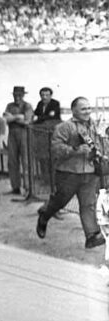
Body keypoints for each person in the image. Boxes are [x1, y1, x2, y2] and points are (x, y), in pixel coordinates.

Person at [36, 97, 106, 249]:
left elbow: (99, 143)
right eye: (83, 109)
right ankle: (44, 215)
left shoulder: (94, 125)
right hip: (69, 173)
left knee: (88, 204)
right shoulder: (64, 127)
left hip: (90, 171)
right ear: (74, 110)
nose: (87, 112)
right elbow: (55, 148)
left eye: (89, 108)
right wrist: (75, 150)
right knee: (60, 202)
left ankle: (92, 236)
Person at [3, 85, 34, 196]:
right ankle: (15, 187)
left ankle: (27, 188)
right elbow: (5, 119)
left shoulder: (27, 106)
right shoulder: (9, 105)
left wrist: (13, 117)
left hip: (24, 134)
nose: (17, 97)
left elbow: (27, 121)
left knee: (26, 162)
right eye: (15, 95)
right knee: (12, 161)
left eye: (19, 95)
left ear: (23, 95)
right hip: (12, 134)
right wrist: (18, 117)